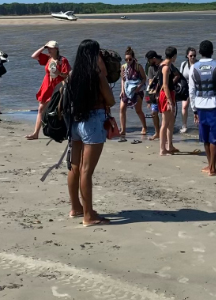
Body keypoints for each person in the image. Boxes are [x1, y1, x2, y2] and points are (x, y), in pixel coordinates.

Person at [65, 38, 115, 227]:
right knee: (87, 171)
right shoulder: (96, 75)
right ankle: (88, 216)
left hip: (75, 124)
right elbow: (110, 101)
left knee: (75, 167)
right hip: (93, 122)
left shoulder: (71, 74)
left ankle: (76, 207)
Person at [189, 39, 216, 176]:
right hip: (215, 105)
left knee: (205, 137)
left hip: (200, 106)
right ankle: (213, 168)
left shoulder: (193, 68)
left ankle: (210, 165)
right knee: (215, 138)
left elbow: (191, 91)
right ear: (212, 52)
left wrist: (194, 110)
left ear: (199, 52)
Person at [27, 40, 70, 140]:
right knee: (41, 109)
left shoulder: (63, 60)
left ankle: (64, 132)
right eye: (48, 48)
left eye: (51, 48)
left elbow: (67, 75)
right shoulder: (48, 58)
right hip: (47, 87)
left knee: (59, 110)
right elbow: (33, 56)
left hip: (58, 87)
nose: (49, 50)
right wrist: (43, 46)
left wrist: (59, 73)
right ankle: (35, 133)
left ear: (56, 49)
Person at [119, 47, 147, 141]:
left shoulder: (138, 67)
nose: (128, 61)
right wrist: (122, 90)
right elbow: (123, 80)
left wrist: (139, 86)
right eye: (126, 59)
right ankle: (123, 129)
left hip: (136, 90)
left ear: (133, 58)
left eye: (130, 59)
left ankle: (144, 127)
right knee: (122, 108)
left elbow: (144, 78)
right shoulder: (123, 67)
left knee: (138, 110)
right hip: (126, 90)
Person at [159, 46, 179, 156]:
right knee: (165, 123)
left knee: (171, 122)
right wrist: (170, 100)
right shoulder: (165, 67)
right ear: (173, 56)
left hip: (170, 94)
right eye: (176, 55)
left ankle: (169, 146)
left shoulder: (167, 65)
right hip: (166, 95)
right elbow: (165, 85)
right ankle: (162, 149)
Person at [144, 50, 162, 140]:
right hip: (154, 93)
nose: (148, 62)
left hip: (164, 92)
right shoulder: (150, 68)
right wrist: (149, 99)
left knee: (165, 114)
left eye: (149, 60)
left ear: (153, 59)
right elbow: (150, 82)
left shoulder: (163, 65)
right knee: (154, 113)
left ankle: (165, 132)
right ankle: (157, 132)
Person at [179, 47, 197, 133]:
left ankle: (199, 125)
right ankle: (184, 125)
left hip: (196, 89)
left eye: (194, 55)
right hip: (186, 88)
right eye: (191, 55)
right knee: (184, 106)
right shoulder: (183, 64)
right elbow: (180, 76)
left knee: (197, 108)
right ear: (187, 56)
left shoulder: (198, 64)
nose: (193, 57)